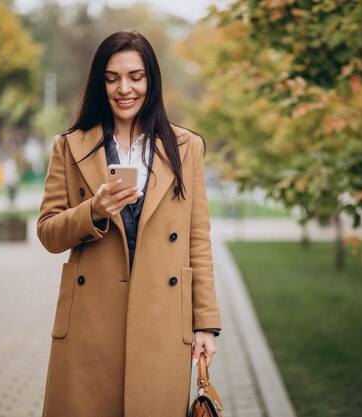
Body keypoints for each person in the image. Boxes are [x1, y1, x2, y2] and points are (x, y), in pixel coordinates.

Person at [37, 31, 222, 416]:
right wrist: (94, 210)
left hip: (161, 322)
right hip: (90, 325)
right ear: (99, 82)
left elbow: (197, 241)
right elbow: (48, 233)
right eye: (112, 77)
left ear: (151, 81)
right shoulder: (69, 146)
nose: (125, 88)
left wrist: (206, 324)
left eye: (135, 76)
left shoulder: (186, 147)